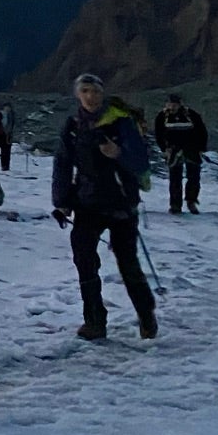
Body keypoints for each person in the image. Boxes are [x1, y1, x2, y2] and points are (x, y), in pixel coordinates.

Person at [54, 74, 157, 340]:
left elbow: (142, 163)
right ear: (78, 94)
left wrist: (118, 154)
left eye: (95, 91)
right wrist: (62, 202)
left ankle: (146, 315)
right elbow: (63, 164)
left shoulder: (121, 122)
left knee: (127, 262)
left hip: (121, 202)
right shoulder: (74, 125)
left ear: (102, 93)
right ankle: (95, 321)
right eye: (85, 91)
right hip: (88, 202)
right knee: (84, 259)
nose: (90, 96)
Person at [153, 95, 208, 215]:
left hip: (191, 149)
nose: (172, 106)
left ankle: (191, 201)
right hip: (173, 151)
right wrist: (164, 149)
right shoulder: (162, 117)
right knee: (175, 178)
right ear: (166, 104)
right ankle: (175, 205)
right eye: (170, 104)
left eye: (175, 104)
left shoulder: (191, 115)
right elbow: (158, 134)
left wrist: (201, 148)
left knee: (193, 177)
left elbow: (202, 131)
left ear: (179, 104)